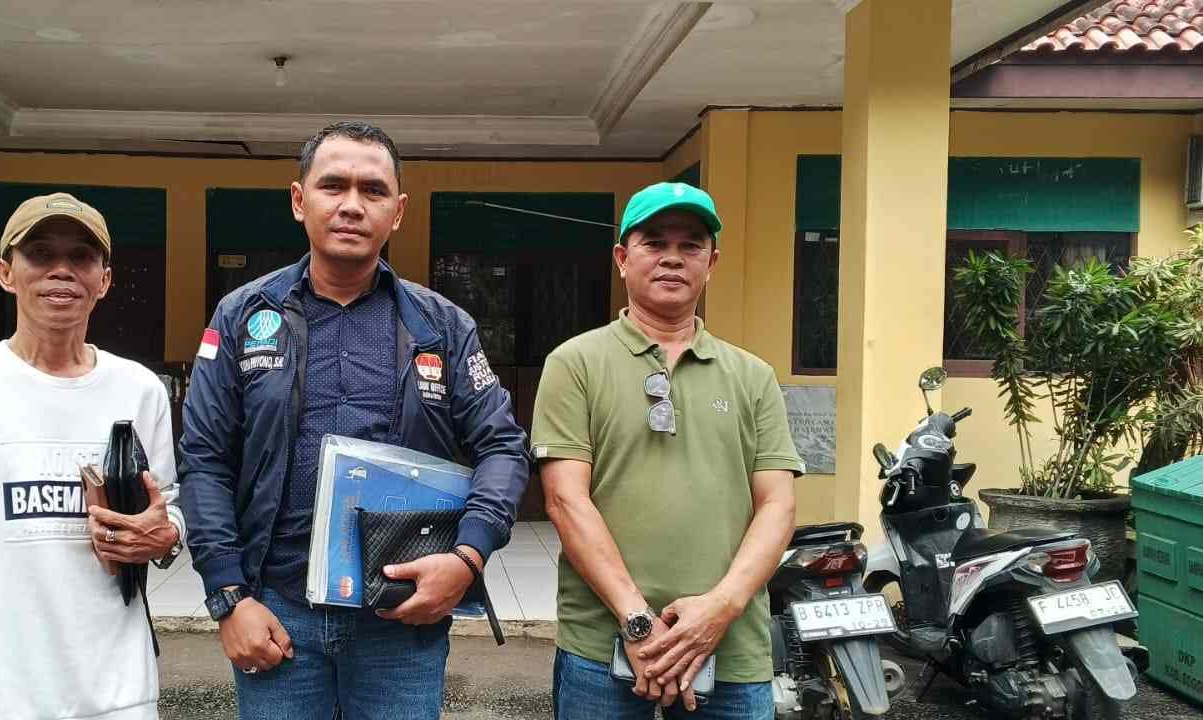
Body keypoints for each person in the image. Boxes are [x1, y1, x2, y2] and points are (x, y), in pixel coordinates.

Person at [178, 120, 529, 720]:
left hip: (401, 615)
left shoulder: (442, 326)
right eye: (333, 185)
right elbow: (205, 460)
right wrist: (228, 596)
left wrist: (467, 558)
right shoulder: (242, 316)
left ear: (398, 211)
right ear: (299, 200)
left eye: (373, 190)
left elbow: (503, 447)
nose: (351, 205)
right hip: (277, 614)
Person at [0, 192, 185, 720]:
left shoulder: (140, 390)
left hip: (120, 691)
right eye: (41, 253)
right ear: (5, 273)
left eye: (81, 257)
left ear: (104, 280)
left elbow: (166, 508)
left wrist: (167, 536)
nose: (61, 270)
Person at [531, 182, 803, 719]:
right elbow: (564, 500)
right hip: (601, 646)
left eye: (691, 244)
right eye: (654, 242)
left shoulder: (753, 376)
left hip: (730, 648)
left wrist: (719, 610)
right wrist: (637, 621)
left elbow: (778, 505)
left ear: (711, 262)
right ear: (622, 258)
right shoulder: (574, 364)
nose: (673, 257)